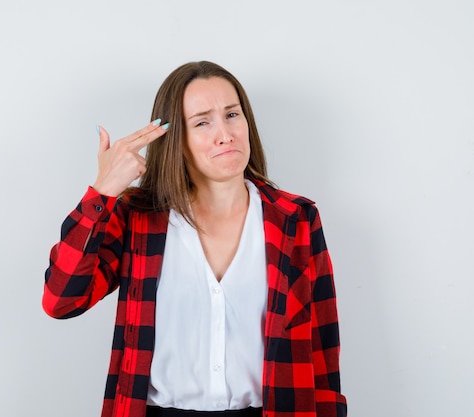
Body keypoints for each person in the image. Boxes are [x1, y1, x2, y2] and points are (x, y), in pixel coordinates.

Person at [43, 61, 347, 417]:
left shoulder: (297, 220)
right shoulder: (137, 217)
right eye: (203, 121)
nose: (225, 134)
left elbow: (323, 350)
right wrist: (103, 192)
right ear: (175, 140)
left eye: (232, 115)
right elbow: (61, 300)